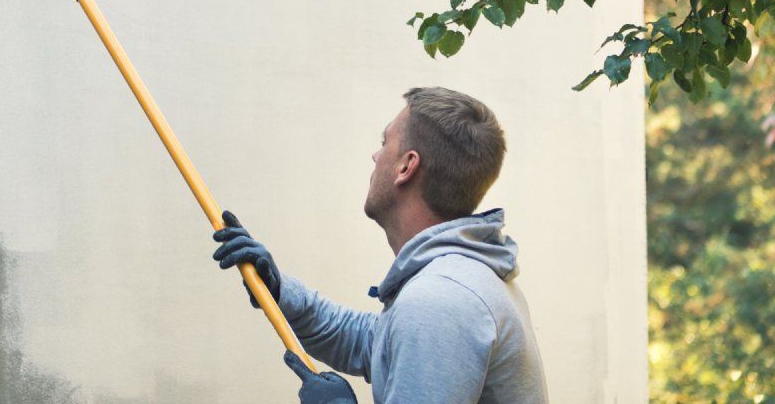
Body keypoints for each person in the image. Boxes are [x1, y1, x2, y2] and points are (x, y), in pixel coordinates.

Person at [210, 87, 547, 403]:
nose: (375, 156)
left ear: (406, 166)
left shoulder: (441, 300)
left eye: (384, 141)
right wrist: (278, 290)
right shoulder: (455, 281)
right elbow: (368, 341)